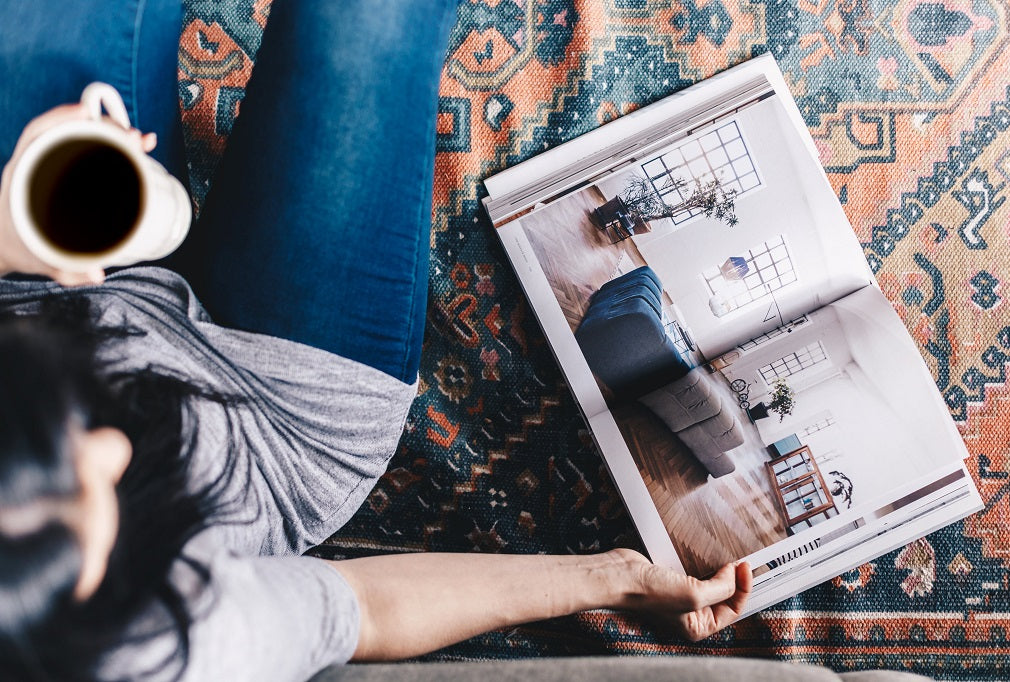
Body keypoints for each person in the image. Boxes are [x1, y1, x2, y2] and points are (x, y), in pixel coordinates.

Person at [0, 1, 752, 680]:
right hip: (285, 421)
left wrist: (7, 236)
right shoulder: (170, 650)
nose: (111, 449)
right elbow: (365, 606)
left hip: (40, 280)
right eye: (91, 498)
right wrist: (616, 577)